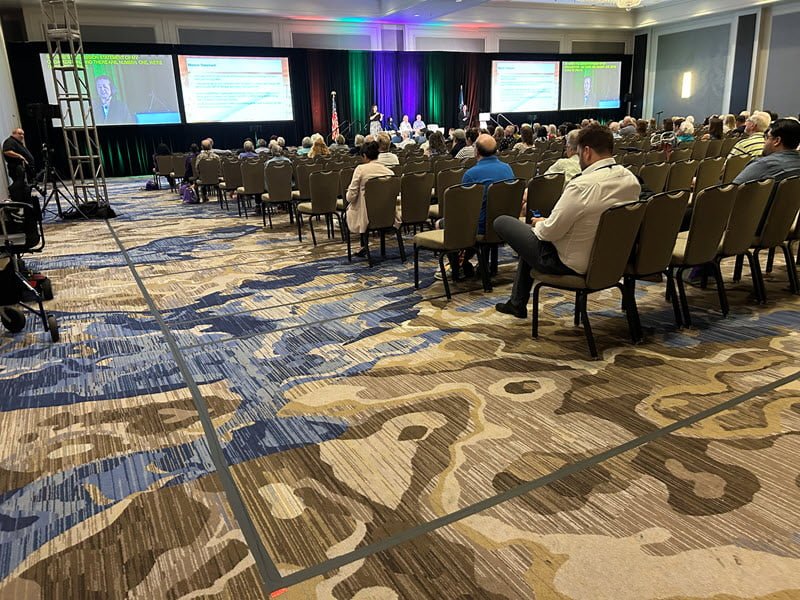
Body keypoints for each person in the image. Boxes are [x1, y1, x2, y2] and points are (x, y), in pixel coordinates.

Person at [494, 125, 641, 318]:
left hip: (572, 262)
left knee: (503, 221)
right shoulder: (630, 180)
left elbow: (548, 233)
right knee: (529, 242)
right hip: (610, 259)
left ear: (586, 152)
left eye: (578, 153)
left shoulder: (581, 186)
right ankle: (516, 303)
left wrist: (540, 223)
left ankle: (517, 303)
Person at [346, 140, 394, 256]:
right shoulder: (389, 172)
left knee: (351, 207)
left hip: (366, 215)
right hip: (387, 214)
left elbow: (350, 197)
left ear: (364, 156)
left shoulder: (360, 170)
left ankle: (363, 246)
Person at [732, 118, 800, 185]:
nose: (764, 141)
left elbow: (733, 191)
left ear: (777, 141)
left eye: (767, 137)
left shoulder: (763, 165)